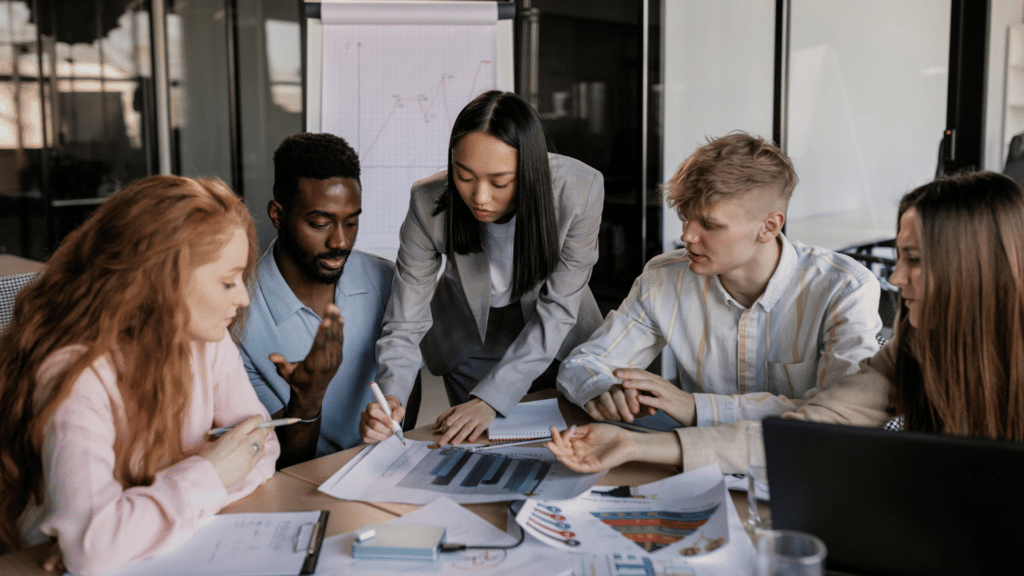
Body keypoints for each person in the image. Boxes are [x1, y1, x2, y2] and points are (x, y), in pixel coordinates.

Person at [547, 171, 1024, 475]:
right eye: (900, 257)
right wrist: (632, 445)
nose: (897, 278)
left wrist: (694, 407)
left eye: (915, 260)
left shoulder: (843, 286)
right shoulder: (911, 350)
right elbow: (809, 431)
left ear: (974, 267)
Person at [0, 176, 296, 575]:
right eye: (227, 282)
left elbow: (261, 447)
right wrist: (212, 473)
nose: (242, 298)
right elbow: (96, 549)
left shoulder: (207, 340)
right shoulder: (77, 373)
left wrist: (145, 518)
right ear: (159, 282)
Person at [556, 132, 881, 429]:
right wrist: (602, 387)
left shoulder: (844, 288)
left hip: (801, 468)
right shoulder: (664, 279)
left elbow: (840, 416)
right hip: (692, 465)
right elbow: (585, 362)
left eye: (709, 225)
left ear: (769, 226)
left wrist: (695, 407)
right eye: (685, 217)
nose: (687, 236)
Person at [361, 90, 605, 446]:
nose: (480, 197)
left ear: (530, 170)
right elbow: (405, 318)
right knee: (481, 448)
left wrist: (493, 397)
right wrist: (391, 397)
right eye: (464, 176)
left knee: (564, 446)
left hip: (556, 336)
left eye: (500, 181)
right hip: (469, 339)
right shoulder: (427, 200)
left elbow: (557, 311)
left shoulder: (579, 190)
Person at [237, 132, 399, 467]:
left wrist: (390, 422)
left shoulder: (386, 280)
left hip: (383, 470)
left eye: (351, 222)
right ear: (278, 215)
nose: (340, 241)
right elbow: (280, 459)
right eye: (320, 223)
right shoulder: (237, 312)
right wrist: (307, 401)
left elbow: (401, 390)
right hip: (300, 484)